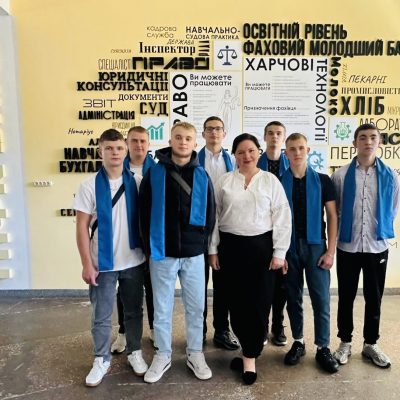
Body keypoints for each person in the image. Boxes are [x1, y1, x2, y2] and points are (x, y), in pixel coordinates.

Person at [209, 133, 291, 385]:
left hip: (261, 250)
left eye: (251, 150)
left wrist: (279, 253)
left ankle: (250, 359)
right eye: (241, 152)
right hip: (230, 249)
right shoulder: (224, 181)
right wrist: (213, 249)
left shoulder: (270, 180)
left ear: (258, 152)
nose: (247, 156)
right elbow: (214, 217)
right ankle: (247, 351)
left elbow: (282, 217)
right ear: (234, 155)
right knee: (235, 303)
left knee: (259, 303)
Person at [139, 121, 216, 383]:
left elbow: (210, 214)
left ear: (195, 143)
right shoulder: (154, 174)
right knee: (162, 307)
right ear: (171, 140)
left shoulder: (202, 175)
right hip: (162, 253)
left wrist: (200, 244)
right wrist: (149, 248)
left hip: (194, 255)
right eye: (178, 137)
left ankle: (195, 353)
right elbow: (143, 213)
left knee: (196, 308)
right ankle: (162, 354)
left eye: (188, 138)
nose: (183, 142)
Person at [74, 129, 147, 387]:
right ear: (100, 151)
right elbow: (81, 227)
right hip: (102, 264)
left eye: (118, 148)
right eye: (108, 148)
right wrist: (86, 263)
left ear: (126, 150)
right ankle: (101, 359)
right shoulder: (88, 186)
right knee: (101, 315)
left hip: (134, 261)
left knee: (134, 312)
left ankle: (135, 352)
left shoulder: (137, 182)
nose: (114, 153)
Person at [332, 123, 400, 368]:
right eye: (362, 137)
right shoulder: (341, 175)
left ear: (379, 142)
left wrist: (381, 229)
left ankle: (371, 343)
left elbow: (393, 208)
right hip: (348, 246)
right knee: (346, 296)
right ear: (355, 143)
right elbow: (336, 211)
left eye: (373, 137)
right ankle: (345, 342)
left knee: (374, 297)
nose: (368, 142)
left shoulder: (391, 175)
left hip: (376, 246)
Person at [281, 133, 339, 373]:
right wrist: (279, 253)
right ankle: (298, 342)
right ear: (286, 153)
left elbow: (332, 216)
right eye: (292, 149)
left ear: (308, 150)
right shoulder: (278, 181)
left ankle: (323, 347)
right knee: (292, 297)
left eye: (301, 148)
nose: (297, 152)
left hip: (316, 246)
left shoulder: (323, 180)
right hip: (288, 246)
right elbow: (273, 219)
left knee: (321, 298)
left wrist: (330, 251)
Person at [111, 126, 156, 353]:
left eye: (143, 141)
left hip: (150, 242)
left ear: (149, 144)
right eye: (134, 141)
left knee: (153, 288)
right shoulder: (115, 170)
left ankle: (155, 330)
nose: (139, 145)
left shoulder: (157, 171)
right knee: (125, 292)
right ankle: (123, 333)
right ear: (127, 143)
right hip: (124, 243)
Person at [199, 116, 239, 351]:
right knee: (198, 285)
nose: (214, 132)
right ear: (203, 133)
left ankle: (222, 330)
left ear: (224, 133)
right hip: (198, 230)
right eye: (209, 129)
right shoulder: (193, 160)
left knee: (223, 285)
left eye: (218, 129)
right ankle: (199, 331)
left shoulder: (233, 161)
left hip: (225, 230)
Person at [257, 121, 289, 346]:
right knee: (262, 286)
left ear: (283, 138)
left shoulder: (291, 166)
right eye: (270, 133)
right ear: (265, 137)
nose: (274, 137)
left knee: (281, 286)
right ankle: (262, 326)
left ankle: (278, 325)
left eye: (279, 133)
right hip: (260, 234)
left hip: (282, 232)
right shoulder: (255, 163)